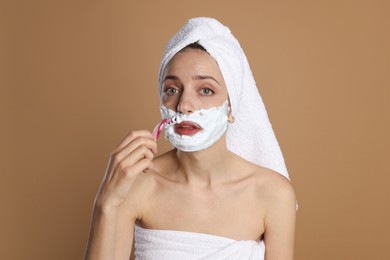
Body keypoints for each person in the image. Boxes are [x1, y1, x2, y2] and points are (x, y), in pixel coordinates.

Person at [83, 17, 296, 260]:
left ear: (231, 107)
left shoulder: (273, 194)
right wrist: (106, 203)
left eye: (205, 90)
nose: (184, 105)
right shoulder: (138, 182)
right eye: (172, 89)